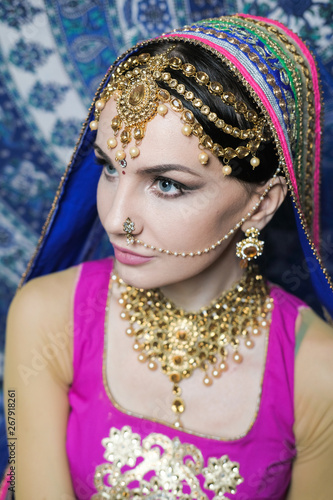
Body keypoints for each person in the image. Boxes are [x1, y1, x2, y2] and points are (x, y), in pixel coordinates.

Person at [4, 14, 333, 500]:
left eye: (167, 184)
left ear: (260, 203)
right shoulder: (46, 317)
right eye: (110, 168)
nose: (116, 219)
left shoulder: (317, 372)